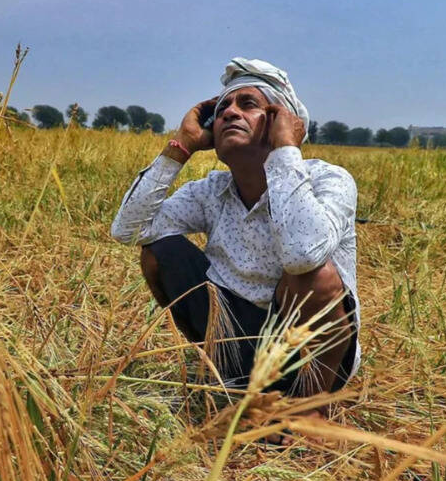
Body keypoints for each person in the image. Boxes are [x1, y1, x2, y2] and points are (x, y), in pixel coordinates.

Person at [110, 57, 359, 407]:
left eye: (248, 104)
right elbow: (129, 229)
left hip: (308, 356)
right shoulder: (212, 190)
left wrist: (285, 150)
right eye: (223, 107)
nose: (229, 113)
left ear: (279, 122)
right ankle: (229, 376)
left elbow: (302, 255)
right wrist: (181, 145)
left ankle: (308, 407)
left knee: (312, 276)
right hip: (235, 340)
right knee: (159, 252)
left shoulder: (327, 180)